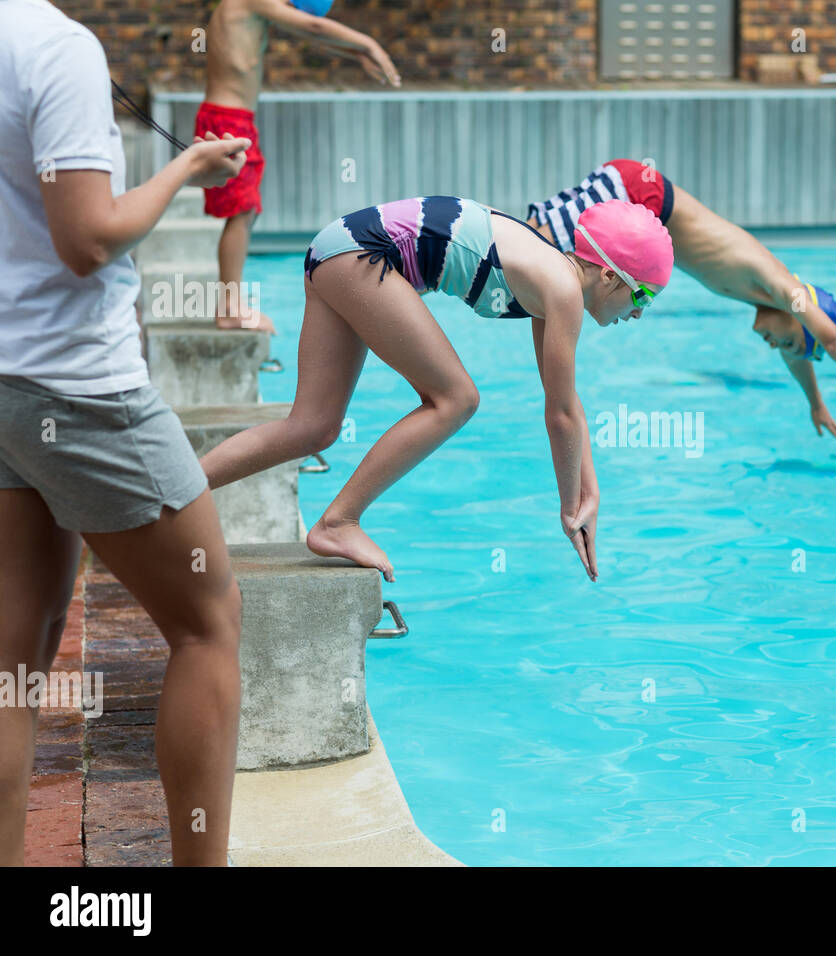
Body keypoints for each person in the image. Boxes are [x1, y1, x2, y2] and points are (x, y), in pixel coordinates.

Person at [0, 0, 251, 866]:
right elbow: (88, 238)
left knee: (16, 667)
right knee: (207, 622)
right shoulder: (55, 47)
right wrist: (186, 167)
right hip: (78, 387)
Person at [199, 197, 673, 583]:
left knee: (312, 428)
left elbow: (566, 402)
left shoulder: (552, 280)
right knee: (457, 399)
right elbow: (560, 417)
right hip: (362, 254)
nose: (638, 314)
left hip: (341, 248)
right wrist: (571, 507)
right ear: (610, 276)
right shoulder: (564, 291)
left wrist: (589, 495)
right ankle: (337, 522)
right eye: (642, 297)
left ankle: (171, 495)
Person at [528, 159, 836, 448]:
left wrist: (816, 404)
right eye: (786, 341)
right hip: (642, 196)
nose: (774, 346)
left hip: (641, 195)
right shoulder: (784, 288)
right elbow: (833, 341)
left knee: (529, 248)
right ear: (800, 318)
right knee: (534, 251)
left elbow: (798, 353)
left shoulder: (778, 296)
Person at [197, 0, 401, 331]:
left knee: (246, 212)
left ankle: (230, 304)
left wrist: (356, 54)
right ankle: (230, 308)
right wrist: (369, 43)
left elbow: (308, 31)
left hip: (234, 118)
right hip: (228, 120)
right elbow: (314, 27)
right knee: (243, 211)